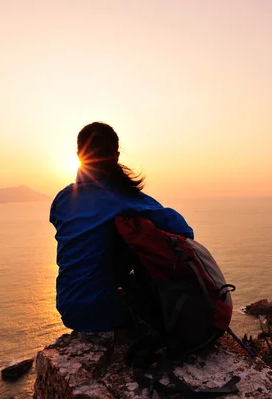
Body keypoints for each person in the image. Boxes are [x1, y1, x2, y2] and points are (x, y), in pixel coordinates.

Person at [49, 122, 194, 332]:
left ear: (78, 155)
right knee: (134, 235)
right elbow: (184, 232)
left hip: (68, 309)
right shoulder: (126, 198)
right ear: (116, 156)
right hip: (106, 312)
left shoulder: (61, 200)